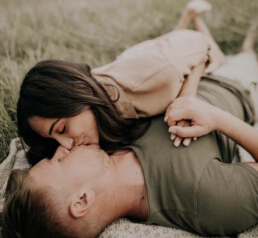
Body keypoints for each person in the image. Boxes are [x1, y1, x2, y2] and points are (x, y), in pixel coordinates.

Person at [3, 28, 258, 237]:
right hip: (241, 84)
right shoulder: (206, 200)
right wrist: (218, 119)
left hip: (195, 67)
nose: (61, 148)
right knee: (248, 56)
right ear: (81, 200)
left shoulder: (101, 129)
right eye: (56, 160)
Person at [17, 0, 226, 165]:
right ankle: (188, 16)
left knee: (217, 54)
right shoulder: (88, 105)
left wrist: (186, 97)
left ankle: (192, 15)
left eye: (62, 129)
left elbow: (201, 45)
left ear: (79, 92)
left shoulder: (157, 75)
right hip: (144, 57)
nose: (66, 145)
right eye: (53, 138)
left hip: (165, 57)